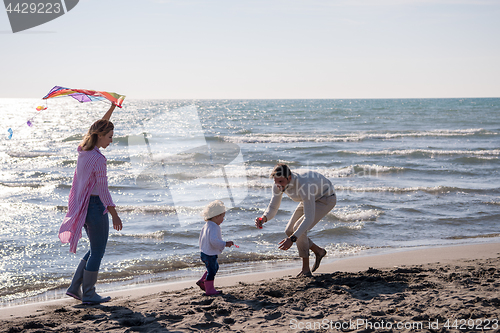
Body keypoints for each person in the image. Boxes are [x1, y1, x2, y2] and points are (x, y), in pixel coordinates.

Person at [59, 104, 123, 304]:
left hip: (84, 207)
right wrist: (114, 214)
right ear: (101, 136)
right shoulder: (98, 159)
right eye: (110, 136)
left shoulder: (83, 150)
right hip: (95, 207)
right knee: (98, 251)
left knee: (94, 248)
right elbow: (103, 191)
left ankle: (74, 288)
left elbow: (94, 128)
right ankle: (88, 294)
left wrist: (112, 108)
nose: (111, 141)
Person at [256, 163, 336, 277]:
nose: (278, 185)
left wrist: (292, 239)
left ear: (289, 178)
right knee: (289, 230)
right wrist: (264, 218)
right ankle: (319, 251)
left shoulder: (304, 185)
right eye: (275, 181)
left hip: (326, 198)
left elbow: (309, 218)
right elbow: (273, 207)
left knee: (298, 230)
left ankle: (306, 270)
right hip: (309, 199)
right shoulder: (278, 185)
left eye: (281, 182)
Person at [197, 200, 234, 296]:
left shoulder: (207, 225)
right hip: (209, 254)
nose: (223, 219)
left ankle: (202, 281)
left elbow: (201, 238)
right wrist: (225, 244)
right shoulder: (214, 227)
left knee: (214, 268)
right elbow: (214, 241)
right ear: (216, 216)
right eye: (222, 217)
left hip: (204, 252)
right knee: (212, 271)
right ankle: (209, 290)